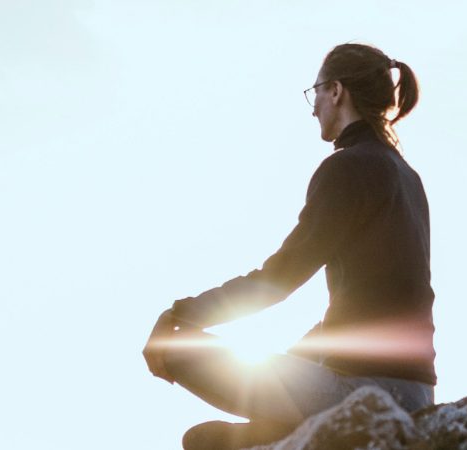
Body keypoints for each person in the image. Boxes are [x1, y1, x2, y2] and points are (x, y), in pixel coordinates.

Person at [142, 43, 436, 450]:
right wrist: (298, 357)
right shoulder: (407, 176)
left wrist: (181, 313)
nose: (313, 109)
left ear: (336, 91)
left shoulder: (348, 167)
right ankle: (276, 434)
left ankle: (282, 429)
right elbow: (380, 300)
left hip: (366, 393)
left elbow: (280, 278)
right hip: (417, 395)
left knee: (175, 347)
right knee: (205, 439)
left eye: (315, 92)